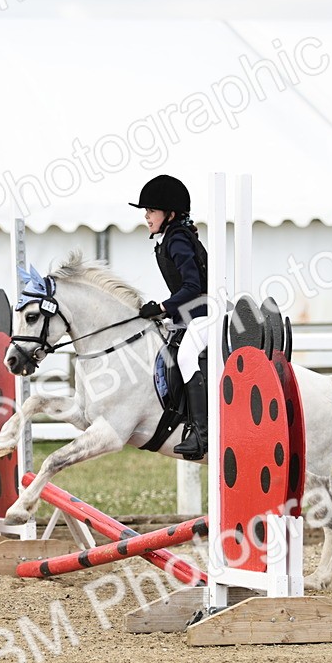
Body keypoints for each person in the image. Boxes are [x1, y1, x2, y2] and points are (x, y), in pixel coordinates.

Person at [129, 174, 211, 460]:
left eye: (151, 210)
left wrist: (163, 307)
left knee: (187, 356)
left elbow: (192, 287)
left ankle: (202, 434)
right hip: (192, 313)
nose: (146, 216)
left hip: (207, 312)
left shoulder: (177, 240)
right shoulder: (168, 239)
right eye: (146, 211)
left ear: (170, 214)